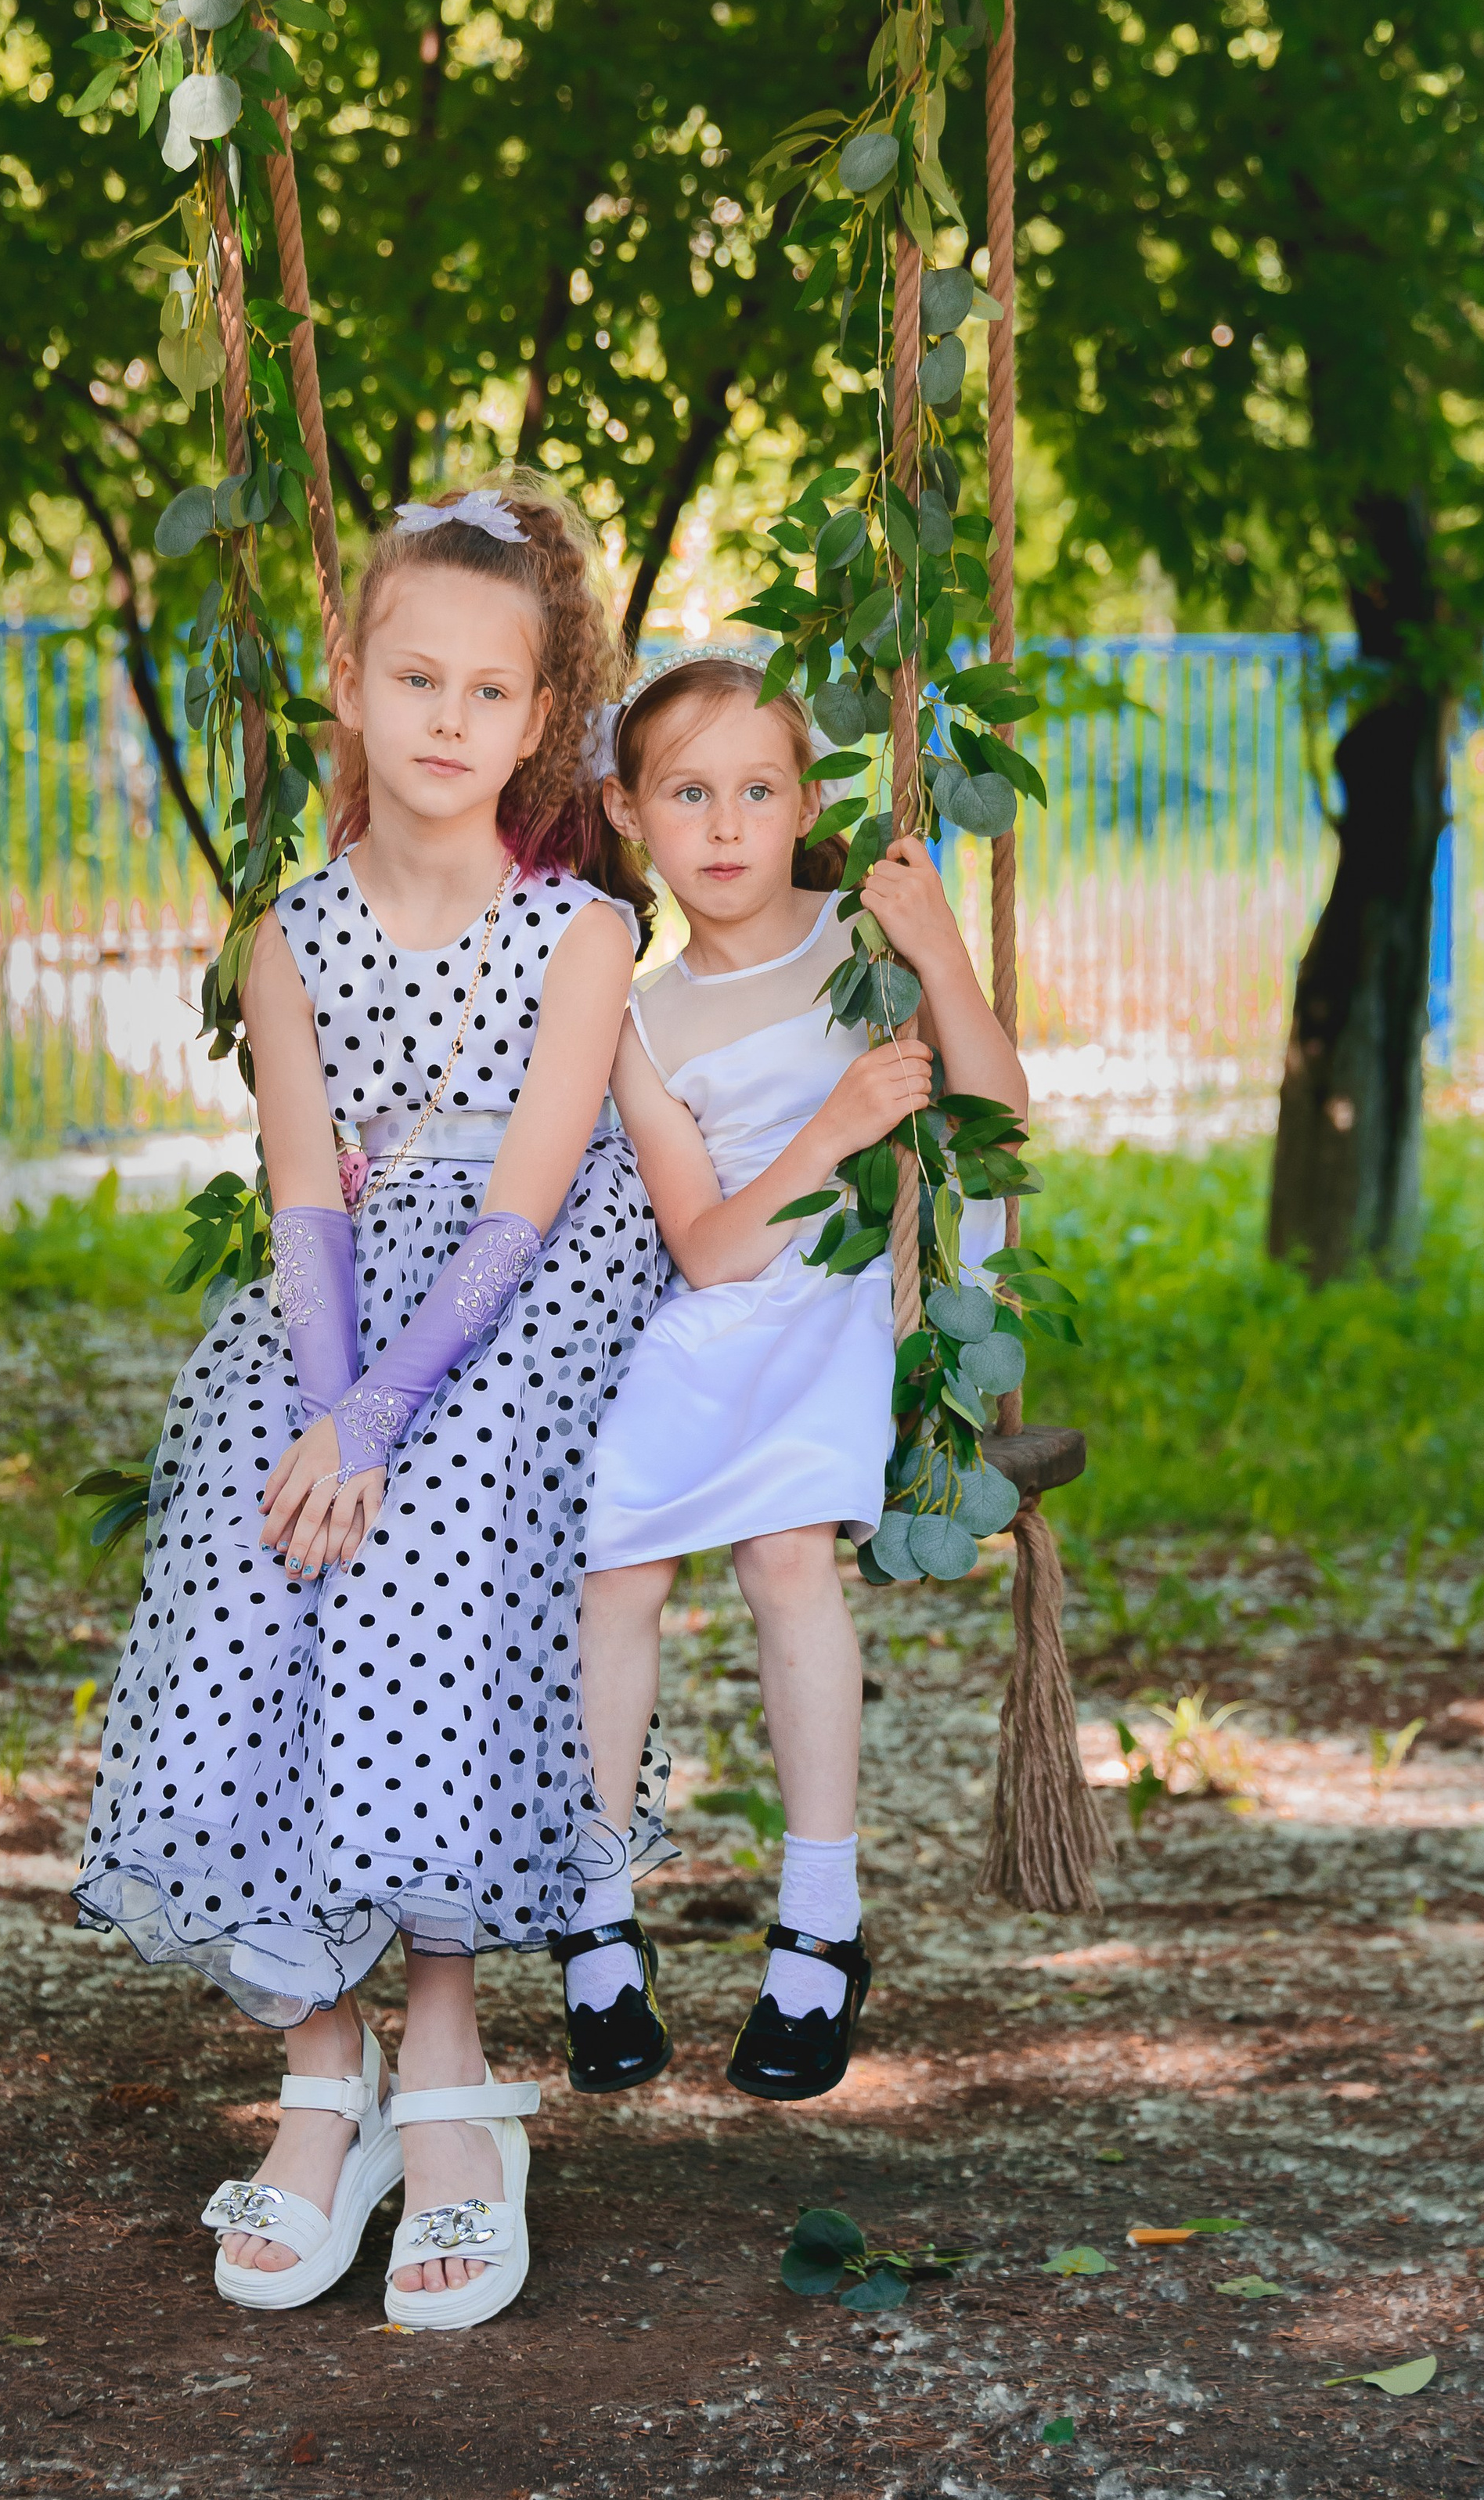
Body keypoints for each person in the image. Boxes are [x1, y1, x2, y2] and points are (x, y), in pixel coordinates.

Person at [74, 474, 663, 2331]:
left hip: (520, 1299)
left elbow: (525, 1202)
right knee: (254, 1519)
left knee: (425, 1527)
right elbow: (308, 1196)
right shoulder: (290, 938)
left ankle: (446, 2070)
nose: (446, 723)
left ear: (539, 716)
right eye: (413, 679)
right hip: (339, 1302)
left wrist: (381, 1427)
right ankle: (315, 2070)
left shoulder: (577, 934)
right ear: (348, 676)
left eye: (490, 695)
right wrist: (323, 1418)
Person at [556, 648, 1028, 2105]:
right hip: (740, 1290)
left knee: (779, 1554)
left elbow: (1001, 1123)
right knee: (613, 1560)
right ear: (632, 817)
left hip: (858, 1293)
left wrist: (940, 948)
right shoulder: (636, 1025)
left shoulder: (864, 943)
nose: (725, 824)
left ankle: (819, 1925)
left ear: (805, 799)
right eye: (689, 794)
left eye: (758, 791)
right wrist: (821, 1132)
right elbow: (701, 1247)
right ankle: (595, 1911)